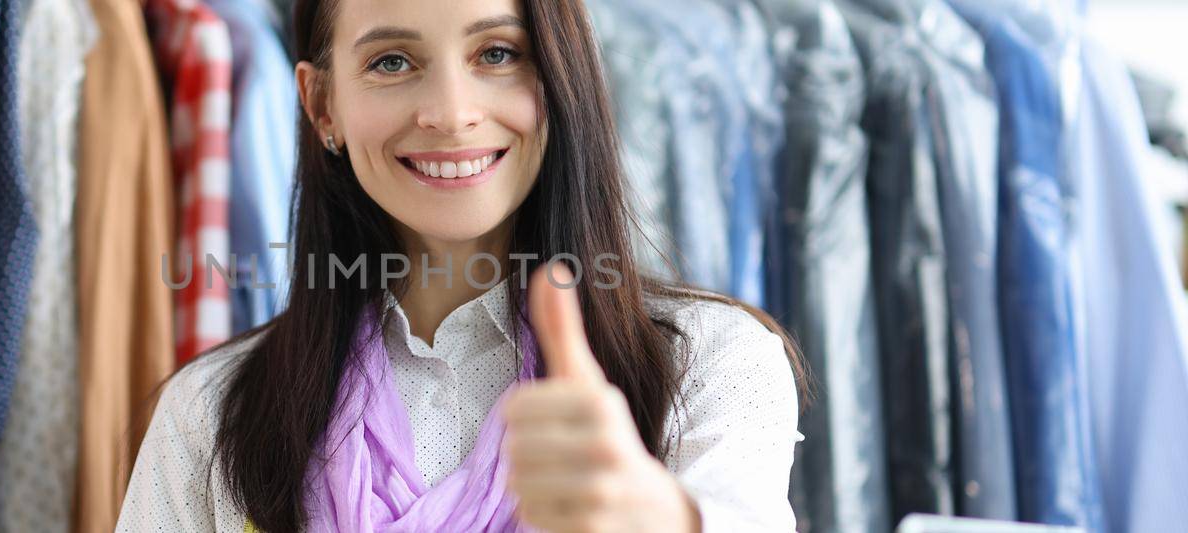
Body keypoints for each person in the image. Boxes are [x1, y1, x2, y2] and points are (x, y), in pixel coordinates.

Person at [116, 0, 805, 530]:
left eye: (497, 53)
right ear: (322, 105)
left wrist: (661, 517)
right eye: (391, 61)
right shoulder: (207, 414)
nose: (450, 113)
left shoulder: (712, 365)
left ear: (563, 73)